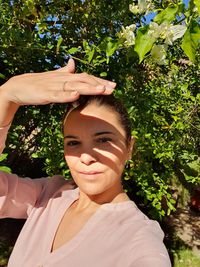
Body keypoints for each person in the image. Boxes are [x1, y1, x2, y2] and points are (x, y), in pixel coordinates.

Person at [0, 59, 171, 267]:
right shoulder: (49, 194)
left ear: (129, 148)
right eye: (73, 143)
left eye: (103, 140)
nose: (86, 157)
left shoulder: (138, 238)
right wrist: (7, 95)